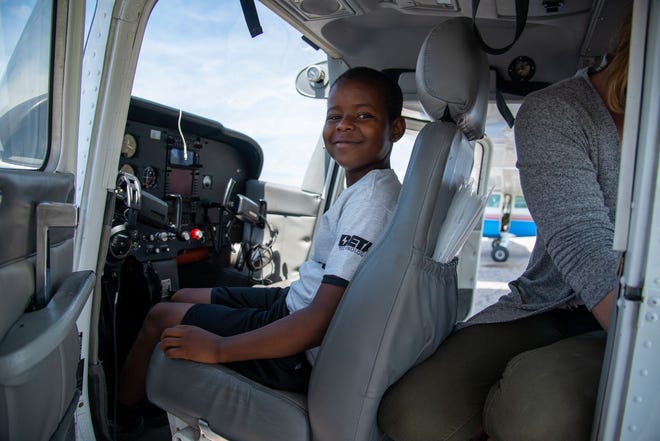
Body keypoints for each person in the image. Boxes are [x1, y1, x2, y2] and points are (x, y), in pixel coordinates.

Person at [378, 13, 631, 441]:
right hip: (556, 302)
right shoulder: (562, 110)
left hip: (642, 313)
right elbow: (579, 237)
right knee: (413, 413)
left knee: (538, 411)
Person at [114, 66, 406, 431]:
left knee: (160, 316)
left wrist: (217, 348)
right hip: (293, 305)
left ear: (396, 128)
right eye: (335, 115)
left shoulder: (371, 202)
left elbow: (317, 324)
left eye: (363, 115)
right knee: (183, 295)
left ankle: (122, 423)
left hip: (298, 349)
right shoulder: (372, 189)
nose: (344, 125)